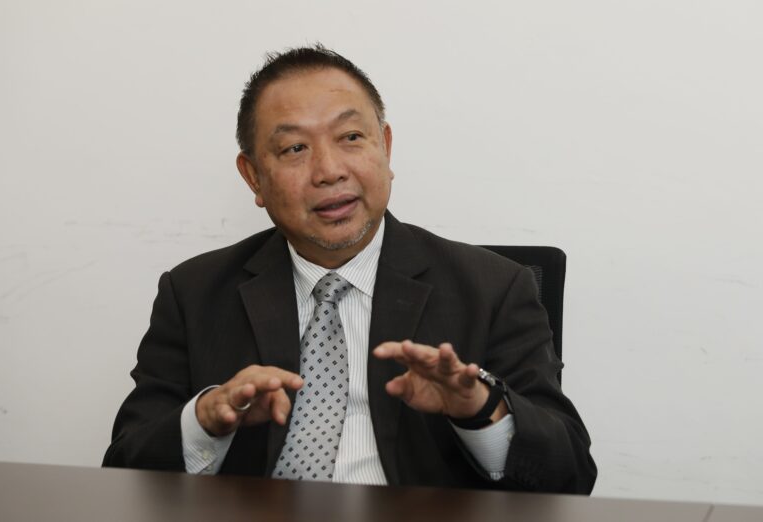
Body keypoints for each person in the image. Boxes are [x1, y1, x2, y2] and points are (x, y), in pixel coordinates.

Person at [103, 44, 596, 493]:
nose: (329, 170)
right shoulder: (193, 292)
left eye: (351, 137)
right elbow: (123, 468)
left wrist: (481, 409)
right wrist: (204, 421)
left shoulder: (494, 287)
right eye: (295, 148)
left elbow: (570, 475)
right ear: (253, 176)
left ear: (385, 146)